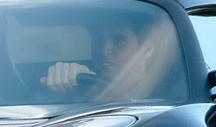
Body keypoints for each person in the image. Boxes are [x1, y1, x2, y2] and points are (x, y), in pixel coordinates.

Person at [41, 10, 178, 102]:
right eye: (98, 40)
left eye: (119, 41)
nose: (105, 50)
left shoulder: (172, 98)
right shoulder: (79, 89)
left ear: (146, 50)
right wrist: (66, 86)